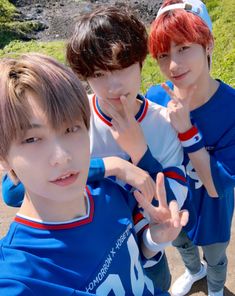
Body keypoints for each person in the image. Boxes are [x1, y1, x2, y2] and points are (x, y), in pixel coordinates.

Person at [1, 6, 190, 292]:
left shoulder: (163, 123)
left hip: (146, 251)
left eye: (123, 68)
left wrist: (140, 153)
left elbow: (171, 202)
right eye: (100, 73)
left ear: (141, 63)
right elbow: (14, 191)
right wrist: (111, 165)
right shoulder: (71, 118)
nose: (114, 85)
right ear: (85, 76)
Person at [147, 0, 235, 295]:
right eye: (163, 54)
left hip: (214, 208)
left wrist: (186, 130)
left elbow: (213, 186)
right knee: (181, 241)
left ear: (208, 44)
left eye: (183, 48)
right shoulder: (155, 99)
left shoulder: (231, 108)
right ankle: (192, 270)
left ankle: (214, 287)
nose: (172, 65)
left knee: (216, 255)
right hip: (174, 203)